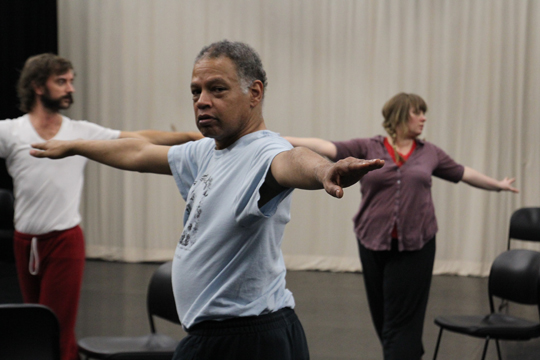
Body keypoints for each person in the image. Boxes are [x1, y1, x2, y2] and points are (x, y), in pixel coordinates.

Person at [30, 40, 384, 360]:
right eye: (196, 91)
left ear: (254, 92)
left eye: (217, 89)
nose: (202, 100)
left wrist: (323, 171)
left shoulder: (263, 152)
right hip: (222, 336)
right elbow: (138, 152)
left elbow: (293, 160)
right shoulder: (209, 151)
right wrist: (73, 145)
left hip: (246, 340)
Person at [284, 92, 519, 360]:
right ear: (399, 115)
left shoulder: (429, 153)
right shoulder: (370, 146)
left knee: (402, 320)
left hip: (416, 246)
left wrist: (498, 185)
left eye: (423, 112)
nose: (423, 118)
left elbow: (464, 173)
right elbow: (326, 147)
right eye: (417, 112)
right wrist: (281, 139)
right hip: (372, 241)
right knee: (383, 317)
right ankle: (407, 352)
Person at [0, 53, 203, 360]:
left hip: (64, 241)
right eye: (61, 81)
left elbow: (139, 138)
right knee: (35, 324)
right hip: (25, 243)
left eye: (72, 81)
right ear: (37, 87)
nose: (71, 88)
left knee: (56, 326)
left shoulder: (79, 131)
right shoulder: (12, 131)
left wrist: (190, 137)